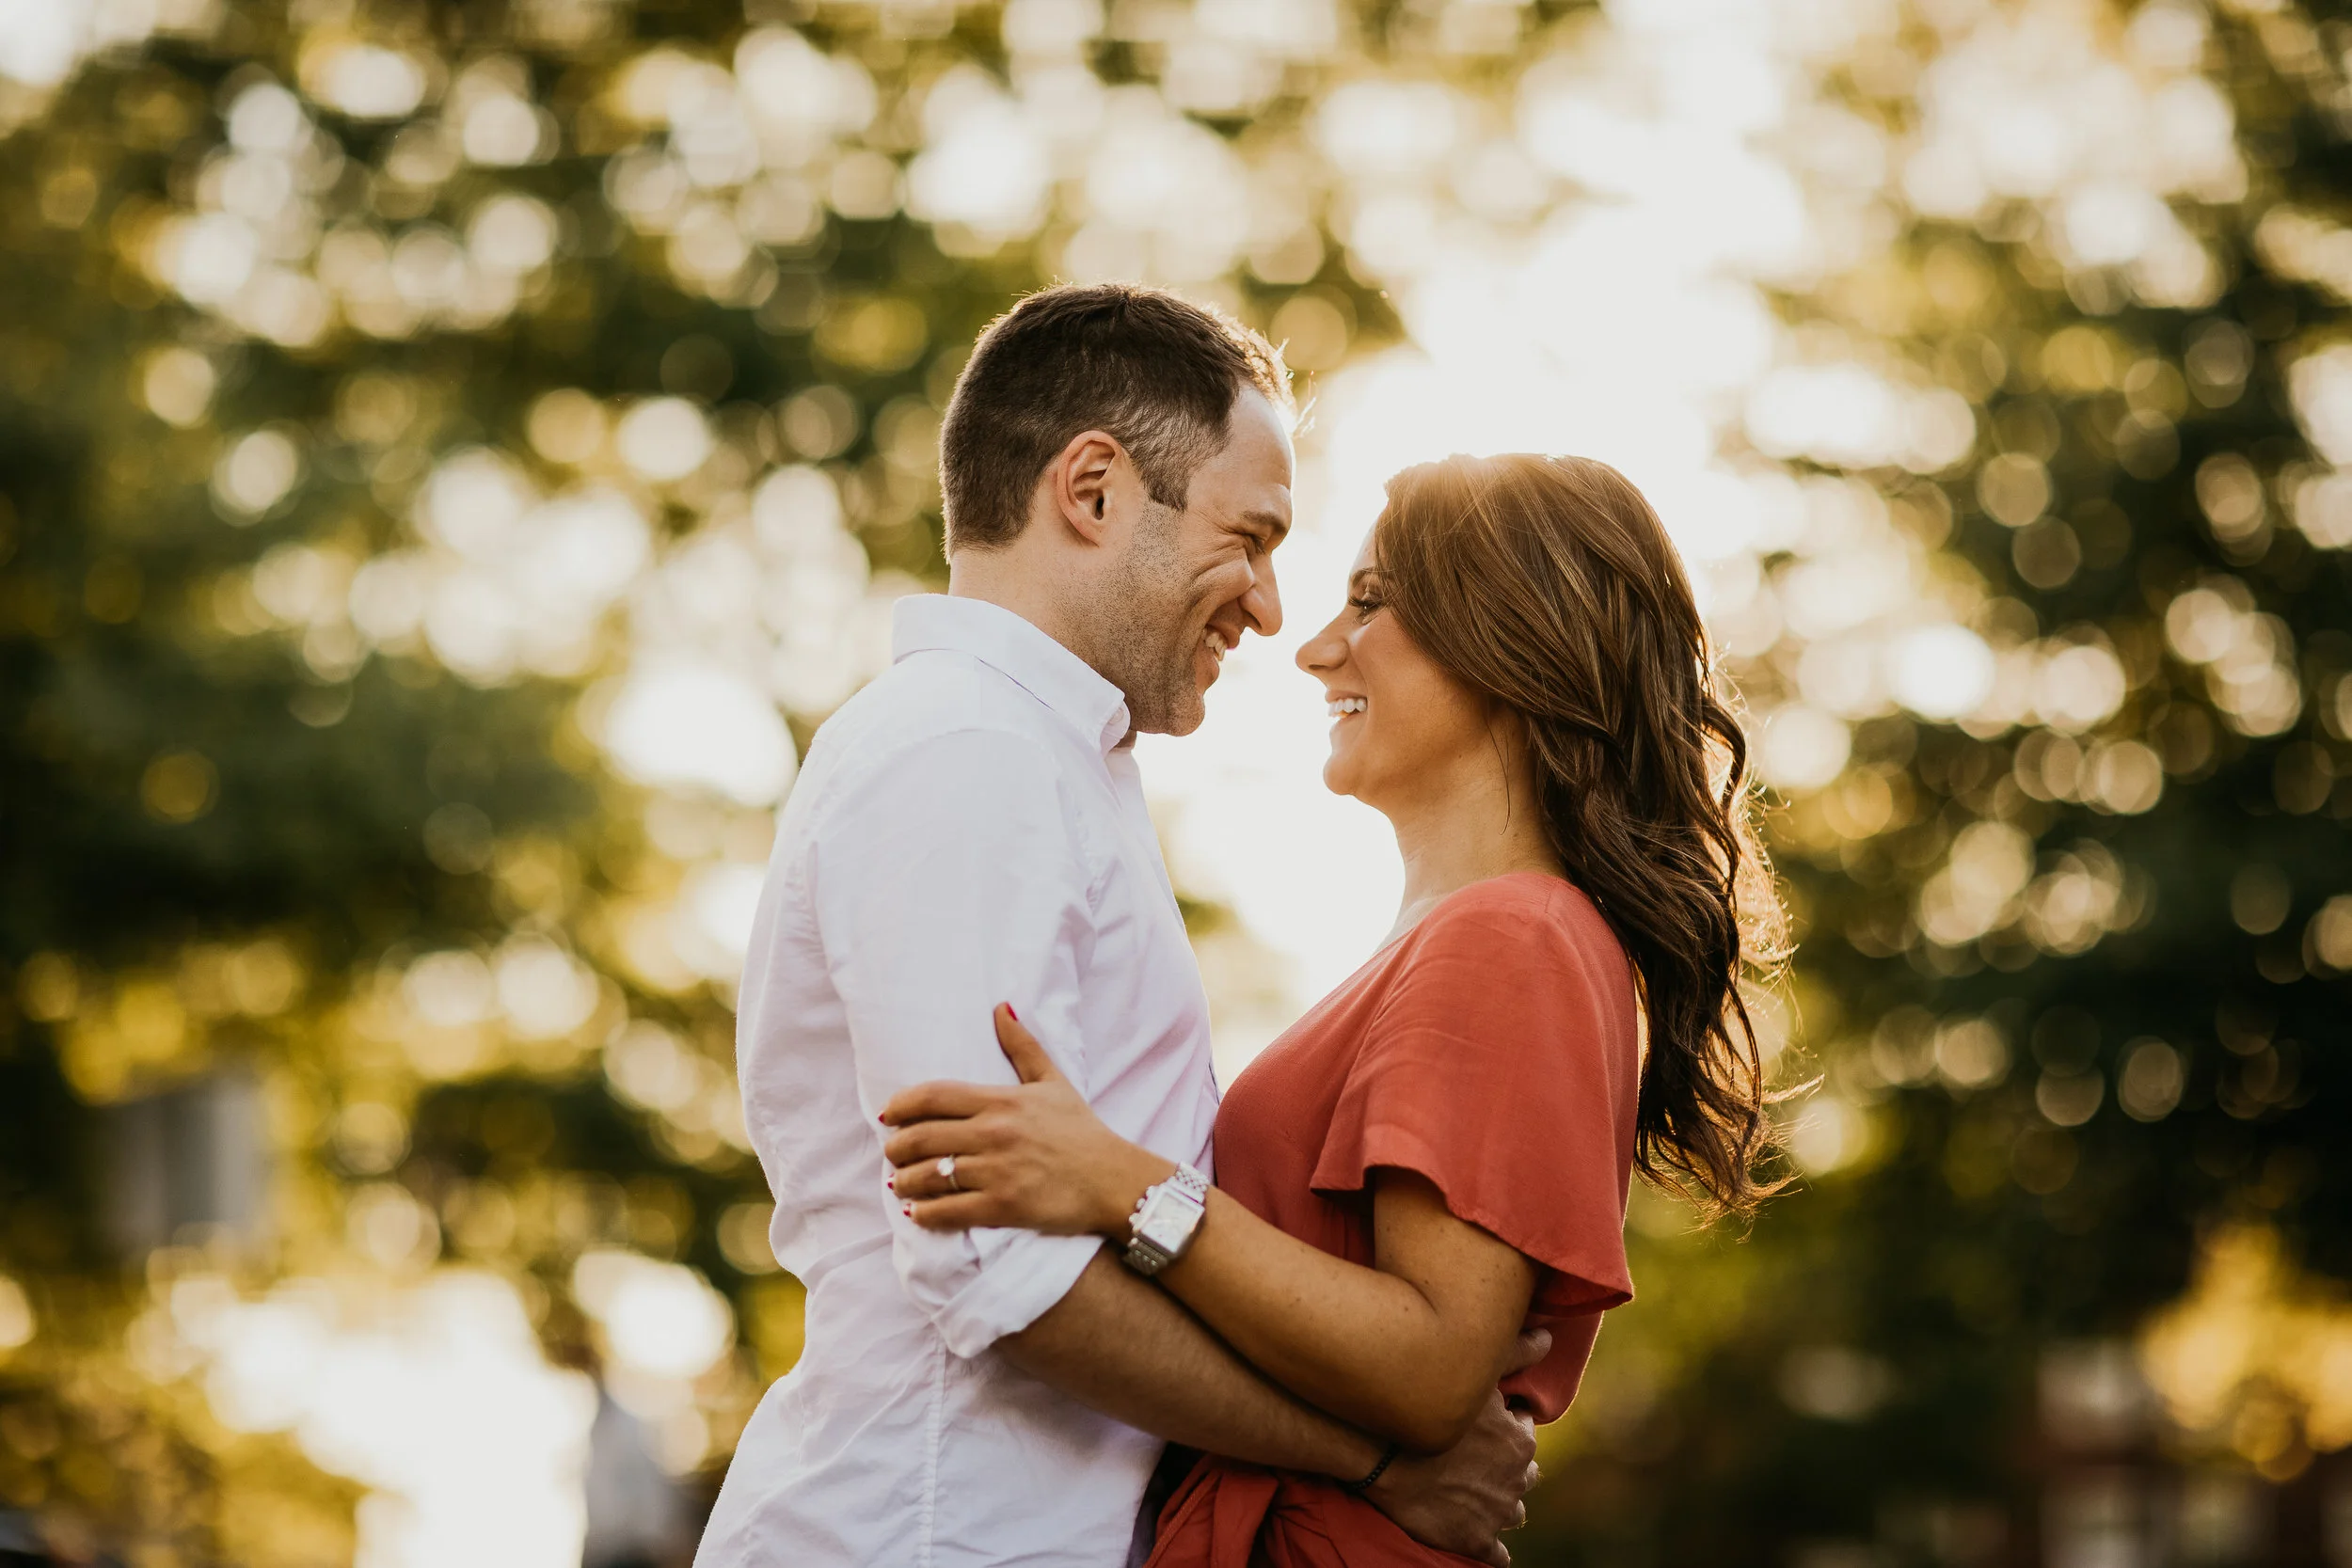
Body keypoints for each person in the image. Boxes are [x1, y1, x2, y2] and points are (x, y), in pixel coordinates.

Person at [695, 289, 1542, 1568]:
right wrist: (1371, 1455)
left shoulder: (1032, 756)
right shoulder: (969, 752)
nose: (1267, 607)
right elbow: (998, 1270)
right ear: (1092, 490)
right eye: (1247, 536)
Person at [881, 451, 1789, 1566]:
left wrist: (1122, 1184)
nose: (1315, 647)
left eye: (1369, 601)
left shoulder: (1514, 938)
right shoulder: (1465, 938)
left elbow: (1431, 1365)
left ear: (1511, 634)